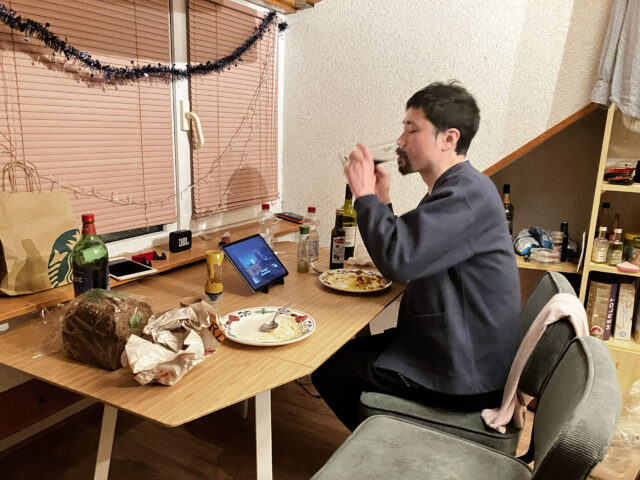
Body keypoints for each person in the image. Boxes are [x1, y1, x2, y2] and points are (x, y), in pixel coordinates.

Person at [311, 81, 521, 431]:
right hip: (449, 349)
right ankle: (387, 435)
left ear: (448, 139)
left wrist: (363, 195)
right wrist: (380, 200)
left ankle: (389, 449)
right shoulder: (457, 189)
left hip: (462, 369)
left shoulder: (465, 195)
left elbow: (398, 259)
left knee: (331, 370)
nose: (400, 141)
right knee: (341, 353)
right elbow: (412, 251)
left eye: (412, 129)